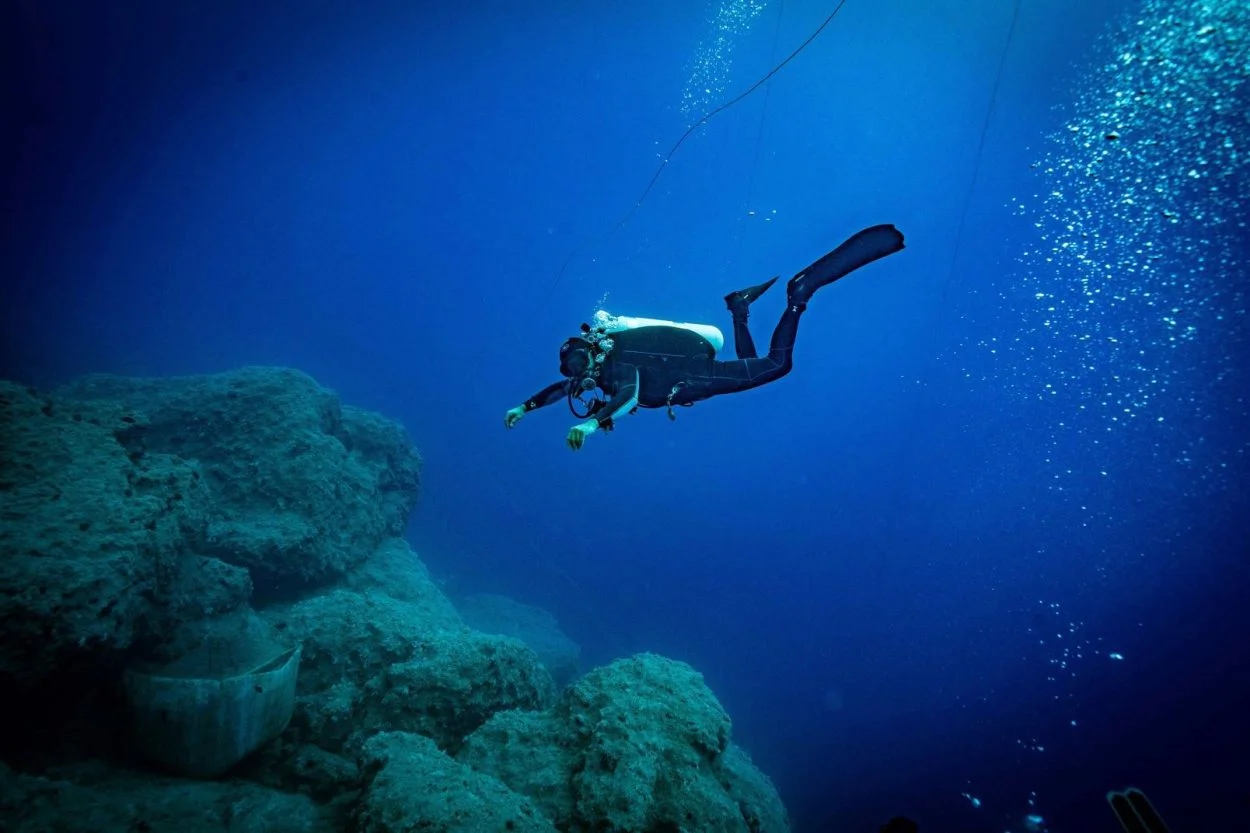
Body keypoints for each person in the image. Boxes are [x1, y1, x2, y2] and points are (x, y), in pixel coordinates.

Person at [504, 223, 906, 450]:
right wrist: (524, 408)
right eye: (571, 365)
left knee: (777, 365)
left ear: (593, 352)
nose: (577, 371)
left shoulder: (619, 365)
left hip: (691, 376)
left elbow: (628, 395)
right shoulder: (599, 371)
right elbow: (560, 390)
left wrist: (592, 425)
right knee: (752, 366)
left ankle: (800, 295)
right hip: (693, 366)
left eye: (579, 361)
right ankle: (739, 310)